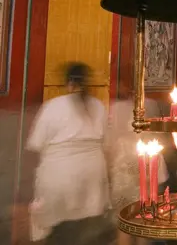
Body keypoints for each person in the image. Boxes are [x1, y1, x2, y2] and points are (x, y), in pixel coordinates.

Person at [26, 63, 113, 245]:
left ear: (68, 83)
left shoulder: (53, 106)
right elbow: (107, 145)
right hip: (92, 174)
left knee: (58, 233)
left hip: (60, 176)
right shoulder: (98, 106)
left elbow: (35, 146)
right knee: (86, 233)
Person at [106, 95, 169, 245]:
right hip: (139, 189)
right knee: (142, 226)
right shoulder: (151, 143)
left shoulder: (121, 142)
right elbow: (159, 175)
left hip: (122, 190)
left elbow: (112, 163)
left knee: (124, 226)